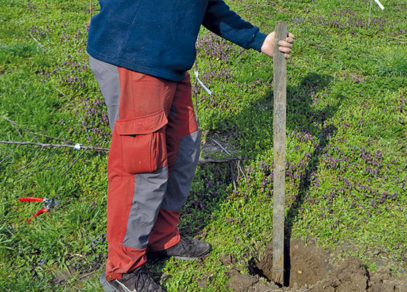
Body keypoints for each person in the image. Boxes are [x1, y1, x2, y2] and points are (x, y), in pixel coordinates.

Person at [87, 1, 293, 291]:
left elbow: (207, 5)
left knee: (184, 149)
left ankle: (161, 235)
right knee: (142, 169)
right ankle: (123, 270)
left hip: (169, 64)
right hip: (135, 58)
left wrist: (259, 40)